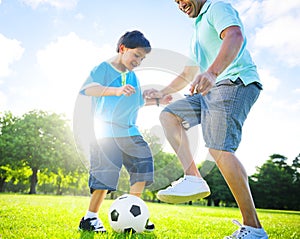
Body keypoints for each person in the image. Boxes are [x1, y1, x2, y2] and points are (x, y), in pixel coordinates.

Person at [144, 0, 268, 238]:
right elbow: (188, 73)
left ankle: (253, 228)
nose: (180, 5)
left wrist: (212, 72)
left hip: (233, 82)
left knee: (219, 149)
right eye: (176, 2)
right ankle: (193, 177)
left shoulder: (216, 7)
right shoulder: (197, 28)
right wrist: (161, 94)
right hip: (209, 91)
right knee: (169, 115)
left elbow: (234, 35)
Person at [78, 30, 172, 233]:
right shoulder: (104, 68)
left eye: (143, 58)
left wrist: (157, 101)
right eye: (136, 55)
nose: (139, 61)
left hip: (130, 132)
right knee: (105, 175)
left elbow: (137, 102)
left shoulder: (133, 77)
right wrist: (115, 90)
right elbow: (89, 89)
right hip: (105, 132)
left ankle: (134, 213)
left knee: (143, 163)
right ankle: (89, 218)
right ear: (122, 49)